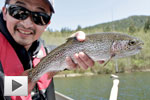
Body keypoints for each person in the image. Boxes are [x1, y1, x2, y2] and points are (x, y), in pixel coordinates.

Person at [0, 0, 104, 100]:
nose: (27, 24)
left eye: (40, 17)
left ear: (47, 24)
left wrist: (73, 44)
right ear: (4, 12)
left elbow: (15, 88)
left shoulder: (45, 52)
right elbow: (5, 89)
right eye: (19, 12)